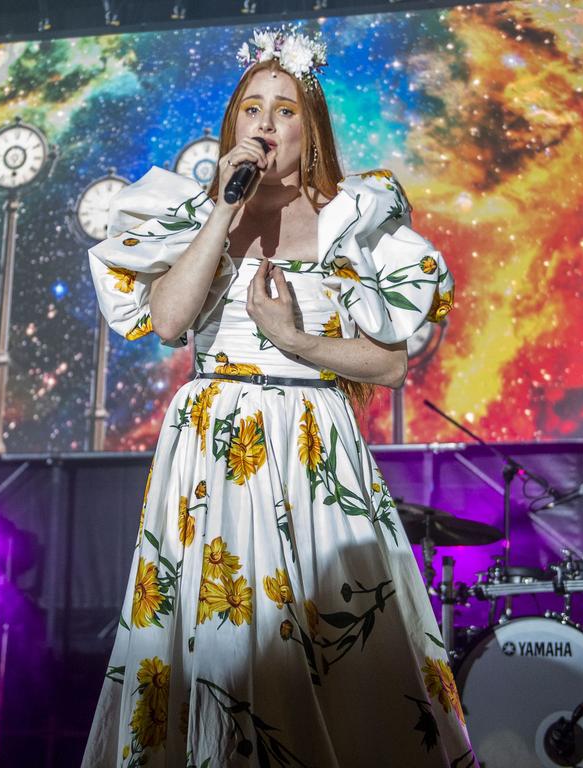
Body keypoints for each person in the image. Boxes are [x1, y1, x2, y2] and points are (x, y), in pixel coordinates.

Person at [83, 26, 474, 768]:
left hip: (311, 443)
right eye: (251, 107)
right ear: (232, 126)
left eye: (285, 109)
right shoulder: (197, 215)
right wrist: (223, 212)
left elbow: (390, 365)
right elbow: (167, 321)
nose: (265, 123)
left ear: (311, 128)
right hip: (215, 447)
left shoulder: (350, 219)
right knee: (220, 642)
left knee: (335, 639)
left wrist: (296, 340)